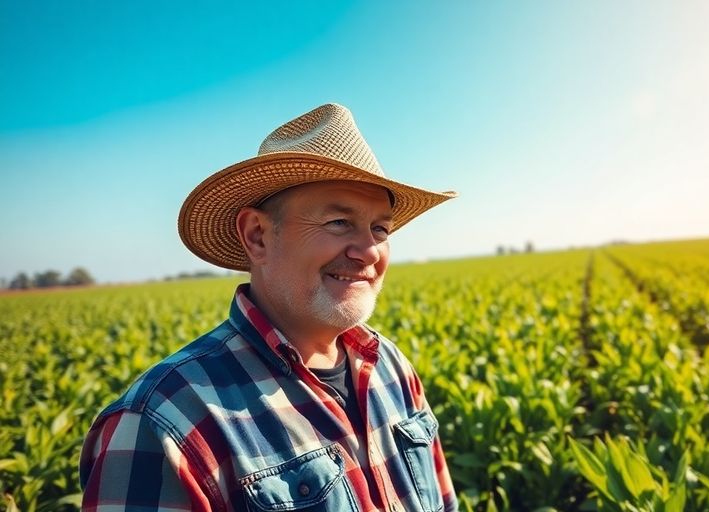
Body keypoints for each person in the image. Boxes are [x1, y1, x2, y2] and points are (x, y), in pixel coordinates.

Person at [79, 103, 459, 511]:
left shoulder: (392, 367)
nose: (368, 251)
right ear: (257, 236)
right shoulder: (167, 420)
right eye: (338, 222)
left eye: (380, 228)